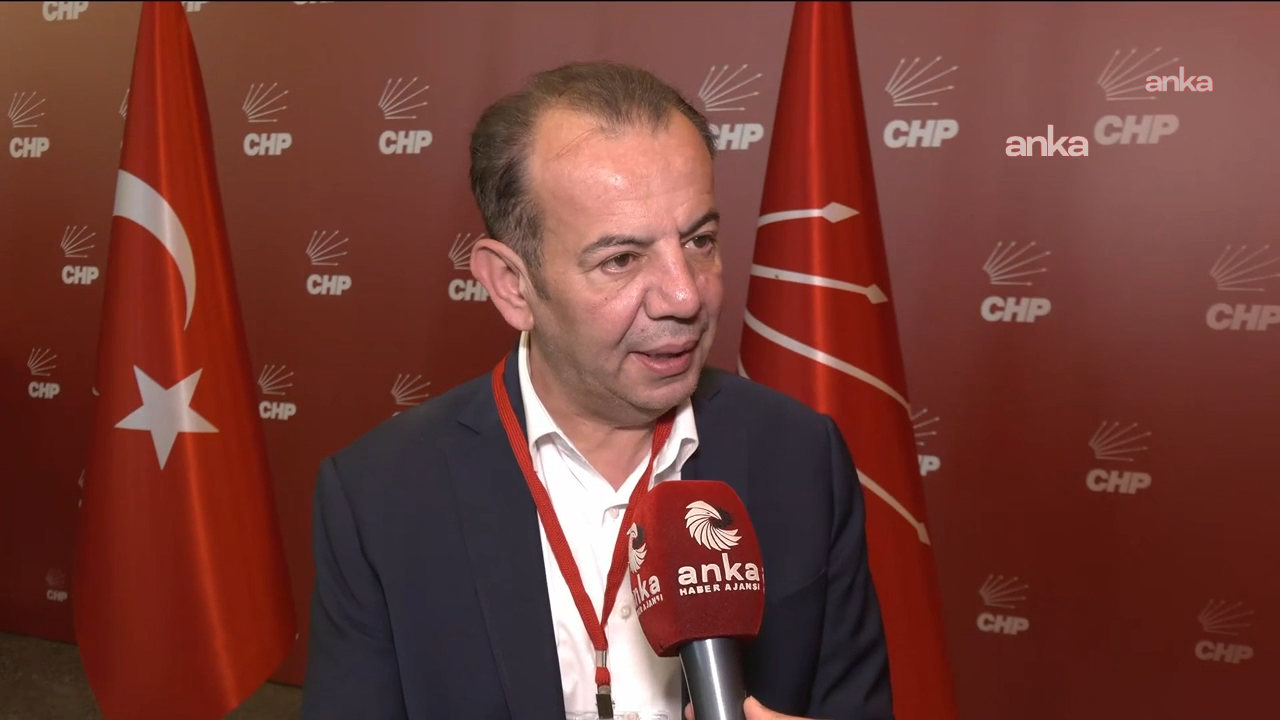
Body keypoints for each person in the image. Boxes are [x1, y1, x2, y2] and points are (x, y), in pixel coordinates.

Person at [300, 60, 893, 720]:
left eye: (699, 240)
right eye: (621, 259)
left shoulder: (802, 455)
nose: (684, 296)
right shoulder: (380, 495)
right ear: (512, 285)